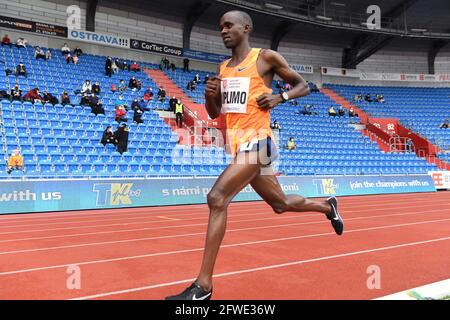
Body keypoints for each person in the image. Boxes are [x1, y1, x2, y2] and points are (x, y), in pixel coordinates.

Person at [166, 10, 343, 301]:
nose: (223, 30)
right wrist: (210, 95)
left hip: (260, 143)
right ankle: (328, 207)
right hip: (238, 146)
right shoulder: (223, 68)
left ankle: (203, 286)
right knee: (280, 203)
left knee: (217, 198)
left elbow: (304, 85)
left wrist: (279, 97)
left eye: (228, 25)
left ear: (245, 28)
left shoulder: (265, 58)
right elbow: (215, 113)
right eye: (220, 27)